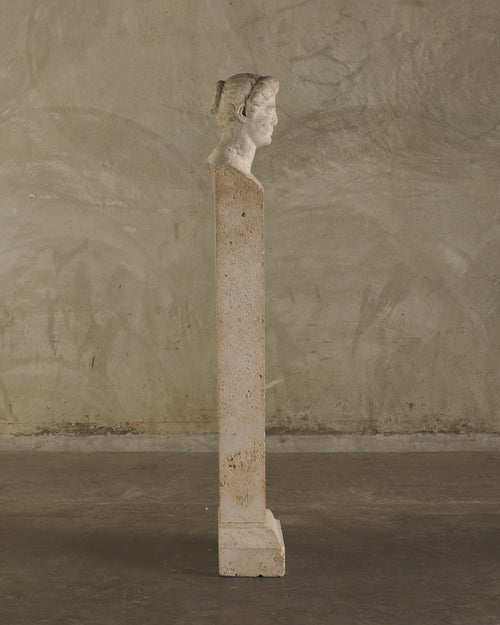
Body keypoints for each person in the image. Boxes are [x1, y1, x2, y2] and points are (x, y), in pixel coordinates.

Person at [207, 73, 279, 186]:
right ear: (242, 112)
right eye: (269, 111)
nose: (275, 121)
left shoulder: (217, 161)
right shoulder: (230, 170)